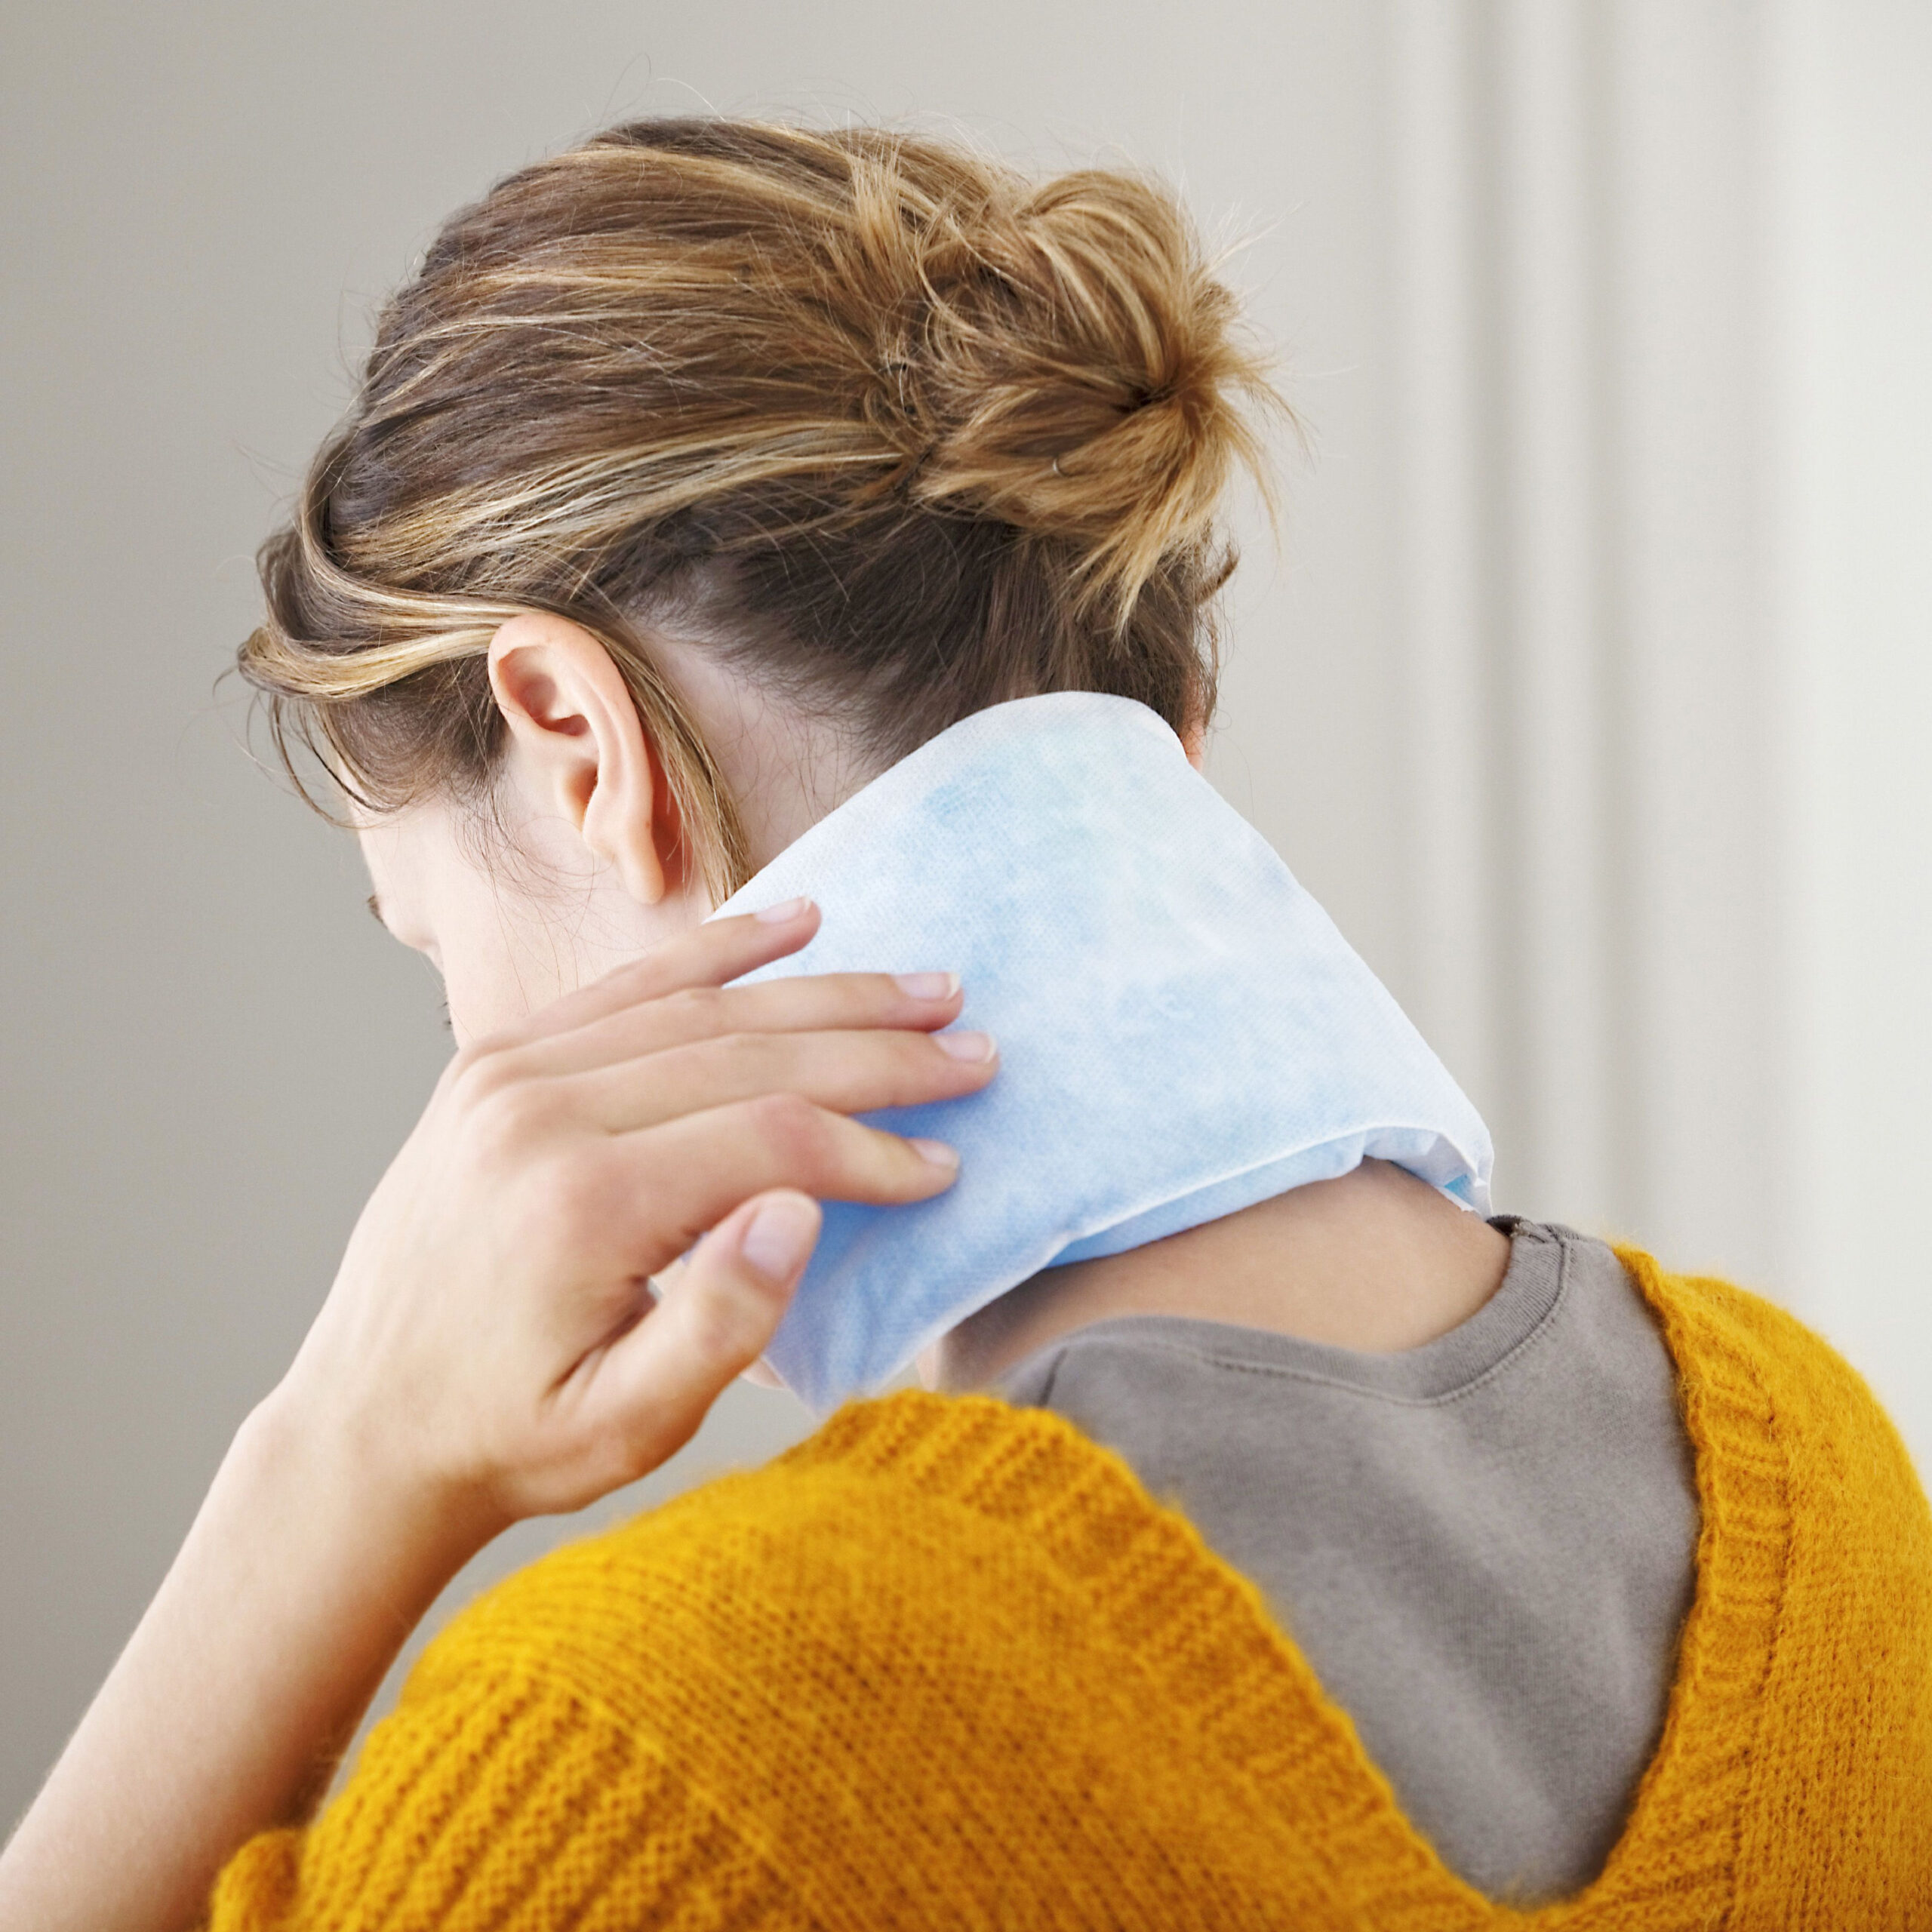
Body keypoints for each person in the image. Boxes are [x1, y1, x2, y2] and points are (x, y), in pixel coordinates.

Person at [2, 118, 1927, 1932]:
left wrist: (341, 1456)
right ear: (1162, 755)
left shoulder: (629, 1766)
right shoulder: (1825, 1478)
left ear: (579, 744)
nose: (463, 1064)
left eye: (435, 955)